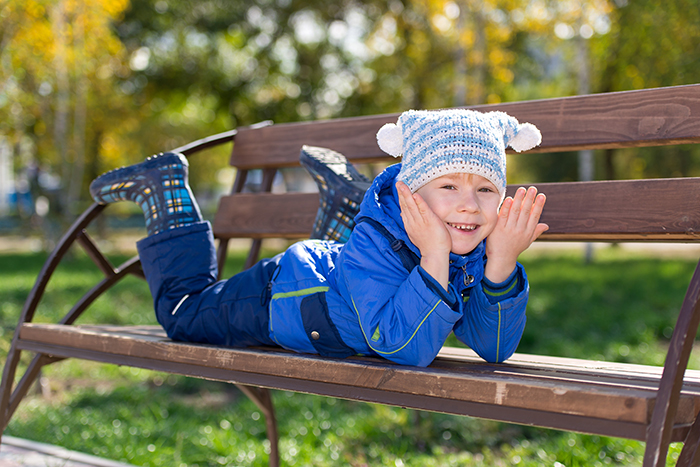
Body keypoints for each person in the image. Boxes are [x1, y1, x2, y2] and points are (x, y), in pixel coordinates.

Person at [89, 108, 547, 367]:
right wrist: (434, 257)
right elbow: (400, 346)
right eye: (449, 186)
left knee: (346, 284)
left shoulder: (473, 247)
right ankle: (166, 189)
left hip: (333, 291)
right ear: (409, 193)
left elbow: (493, 348)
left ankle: (340, 205)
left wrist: (501, 267)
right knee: (182, 313)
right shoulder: (381, 241)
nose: (470, 204)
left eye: (486, 189)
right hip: (278, 296)